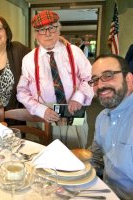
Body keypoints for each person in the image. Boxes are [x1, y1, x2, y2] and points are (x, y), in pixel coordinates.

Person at [17, 10, 94, 148]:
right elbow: (22, 92)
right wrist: (41, 110)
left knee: (75, 153)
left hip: (74, 110)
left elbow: (90, 78)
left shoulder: (75, 52)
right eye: (41, 30)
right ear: (36, 34)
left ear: (59, 29)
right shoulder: (28, 60)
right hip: (44, 115)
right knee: (45, 156)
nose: (47, 33)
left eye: (52, 27)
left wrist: (79, 97)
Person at [88, 54, 133, 199]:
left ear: (129, 79)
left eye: (108, 75)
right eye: (95, 80)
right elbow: (95, 156)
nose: (100, 86)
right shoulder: (102, 117)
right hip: (104, 192)